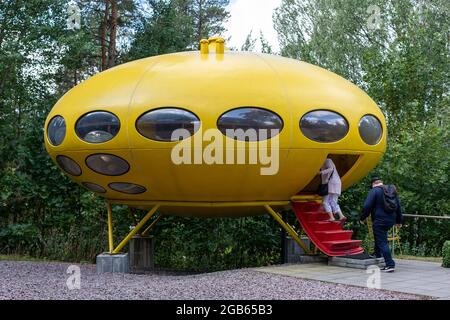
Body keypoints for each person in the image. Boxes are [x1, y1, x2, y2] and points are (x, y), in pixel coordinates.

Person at [360, 176, 403, 273]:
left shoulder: (374, 191)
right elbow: (398, 206)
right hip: (390, 220)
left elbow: (367, 206)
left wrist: (362, 218)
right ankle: (377, 254)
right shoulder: (392, 191)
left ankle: (390, 264)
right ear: (381, 182)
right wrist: (399, 221)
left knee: (382, 241)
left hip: (379, 220)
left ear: (373, 184)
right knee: (379, 236)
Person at [320, 158, 347, 222]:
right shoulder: (328, 161)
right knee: (333, 201)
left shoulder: (327, 160)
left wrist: (320, 172)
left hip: (331, 183)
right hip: (337, 183)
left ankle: (332, 217)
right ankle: (341, 216)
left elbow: (331, 169)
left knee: (325, 202)